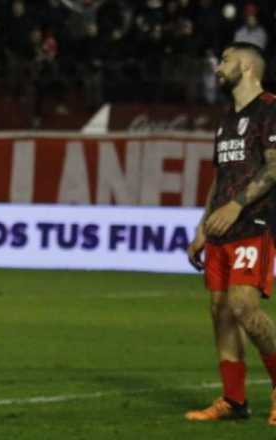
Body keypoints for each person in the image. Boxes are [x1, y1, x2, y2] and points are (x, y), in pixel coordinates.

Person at [186, 42, 276, 424]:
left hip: (254, 222)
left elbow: (274, 168)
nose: (218, 67)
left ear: (246, 65)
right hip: (222, 228)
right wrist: (203, 226)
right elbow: (220, 178)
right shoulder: (226, 119)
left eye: (224, 60)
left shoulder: (270, 109)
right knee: (221, 312)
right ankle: (234, 401)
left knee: (244, 306)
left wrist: (237, 205)